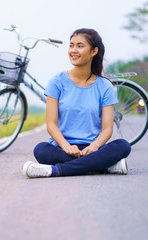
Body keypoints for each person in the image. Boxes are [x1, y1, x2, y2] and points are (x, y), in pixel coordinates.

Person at [22, 28, 131, 178]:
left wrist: (94, 147)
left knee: (123, 146)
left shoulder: (105, 86)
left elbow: (107, 129)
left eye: (80, 46)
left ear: (94, 51)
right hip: (62, 149)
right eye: (71, 45)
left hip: (93, 149)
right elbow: (51, 124)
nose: (73, 50)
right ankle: (103, 166)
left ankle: (56, 170)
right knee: (40, 149)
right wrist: (66, 146)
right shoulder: (57, 82)